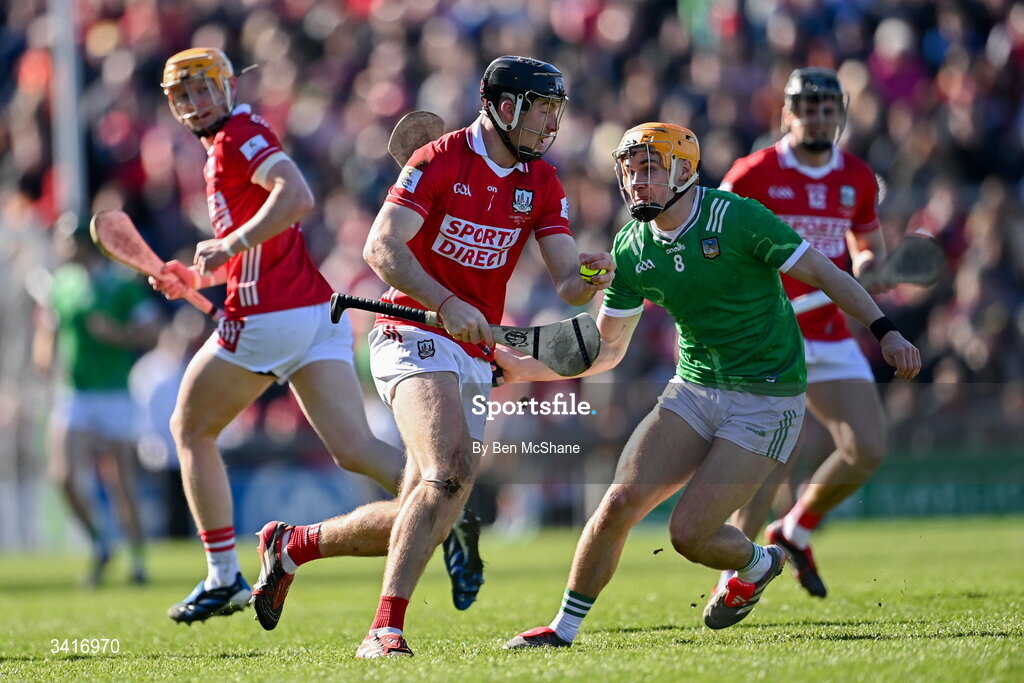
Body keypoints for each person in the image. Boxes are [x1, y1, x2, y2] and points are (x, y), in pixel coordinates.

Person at [500, 122, 920, 649]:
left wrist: (885, 330)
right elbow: (606, 349)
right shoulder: (631, 247)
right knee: (616, 506)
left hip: (767, 397)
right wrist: (523, 368)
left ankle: (759, 561)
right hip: (694, 390)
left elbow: (826, 274)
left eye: (649, 169)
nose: (636, 183)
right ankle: (562, 630)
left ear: (683, 171)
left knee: (688, 535)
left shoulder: (738, 217)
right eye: (630, 171)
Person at [298, 55, 613, 658]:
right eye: (542, 111)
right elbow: (380, 247)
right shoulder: (439, 159)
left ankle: (292, 547)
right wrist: (445, 302)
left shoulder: (542, 182)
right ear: (504, 106)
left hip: (472, 351)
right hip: (408, 330)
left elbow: (568, 280)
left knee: (423, 508)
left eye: (555, 112)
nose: (551, 125)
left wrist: (593, 274)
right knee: (450, 471)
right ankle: (383, 630)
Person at [152, 48, 482, 624]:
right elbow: (265, 240)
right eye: (183, 96)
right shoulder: (228, 142)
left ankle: (222, 576)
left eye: (204, 89)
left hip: (266, 316)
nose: (196, 103)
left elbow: (296, 195)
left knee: (189, 429)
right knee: (353, 448)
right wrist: (202, 272)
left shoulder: (236, 136)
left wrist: (227, 248)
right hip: (315, 311)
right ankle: (445, 506)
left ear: (228, 88)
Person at [716, 67, 892, 598]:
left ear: (839, 115)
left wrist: (869, 266)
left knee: (868, 448)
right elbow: (717, 241)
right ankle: (733, 582)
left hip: (830, 330)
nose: (817, 116)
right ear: (788, 114)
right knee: (771, 466)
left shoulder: (857, 177)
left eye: (826, 107)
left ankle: (793, 531)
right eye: (807, 107)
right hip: (769, 336)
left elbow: (867, 248)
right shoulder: (753, 173)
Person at [34, 212, 162, 586]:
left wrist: (116, 334)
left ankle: (138, 560)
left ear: (80, 243)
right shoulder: (62, 284)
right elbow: (49, 328)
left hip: (115, 392)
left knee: (120, 478)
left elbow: (151, 333)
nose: (60, 247)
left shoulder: (120, 284)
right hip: (75, 391)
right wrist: (43, 359)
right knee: (62, 474)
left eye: (64, 240)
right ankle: (100, 541)